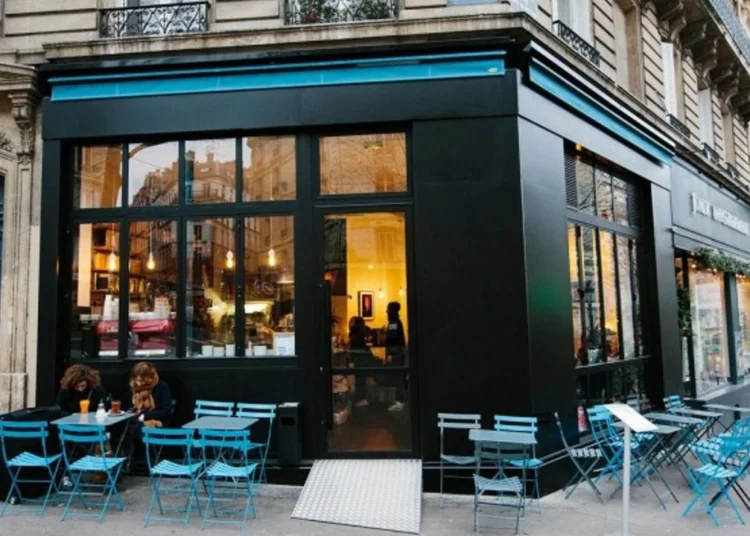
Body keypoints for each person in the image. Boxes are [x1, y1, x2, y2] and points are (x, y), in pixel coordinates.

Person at [384, 302, 407, 412]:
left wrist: (390, 354)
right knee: (399, 376)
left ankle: (400, 401)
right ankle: (401, 400)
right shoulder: (397, 322)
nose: (386, 312)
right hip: (399, 353)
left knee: (398, 377)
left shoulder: (393, 323)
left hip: (396, 354)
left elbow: (392, 340)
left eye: (388, 310)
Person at [349, 316, 375, 408]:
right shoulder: (363, 332)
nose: (350, 323)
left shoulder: (355, 334)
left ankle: (362, 398)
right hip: (363, 358)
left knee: (359, 379)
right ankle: (363, 398)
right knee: (361, 379)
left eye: (351, 321)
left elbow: (354, 346)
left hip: (359, 358)